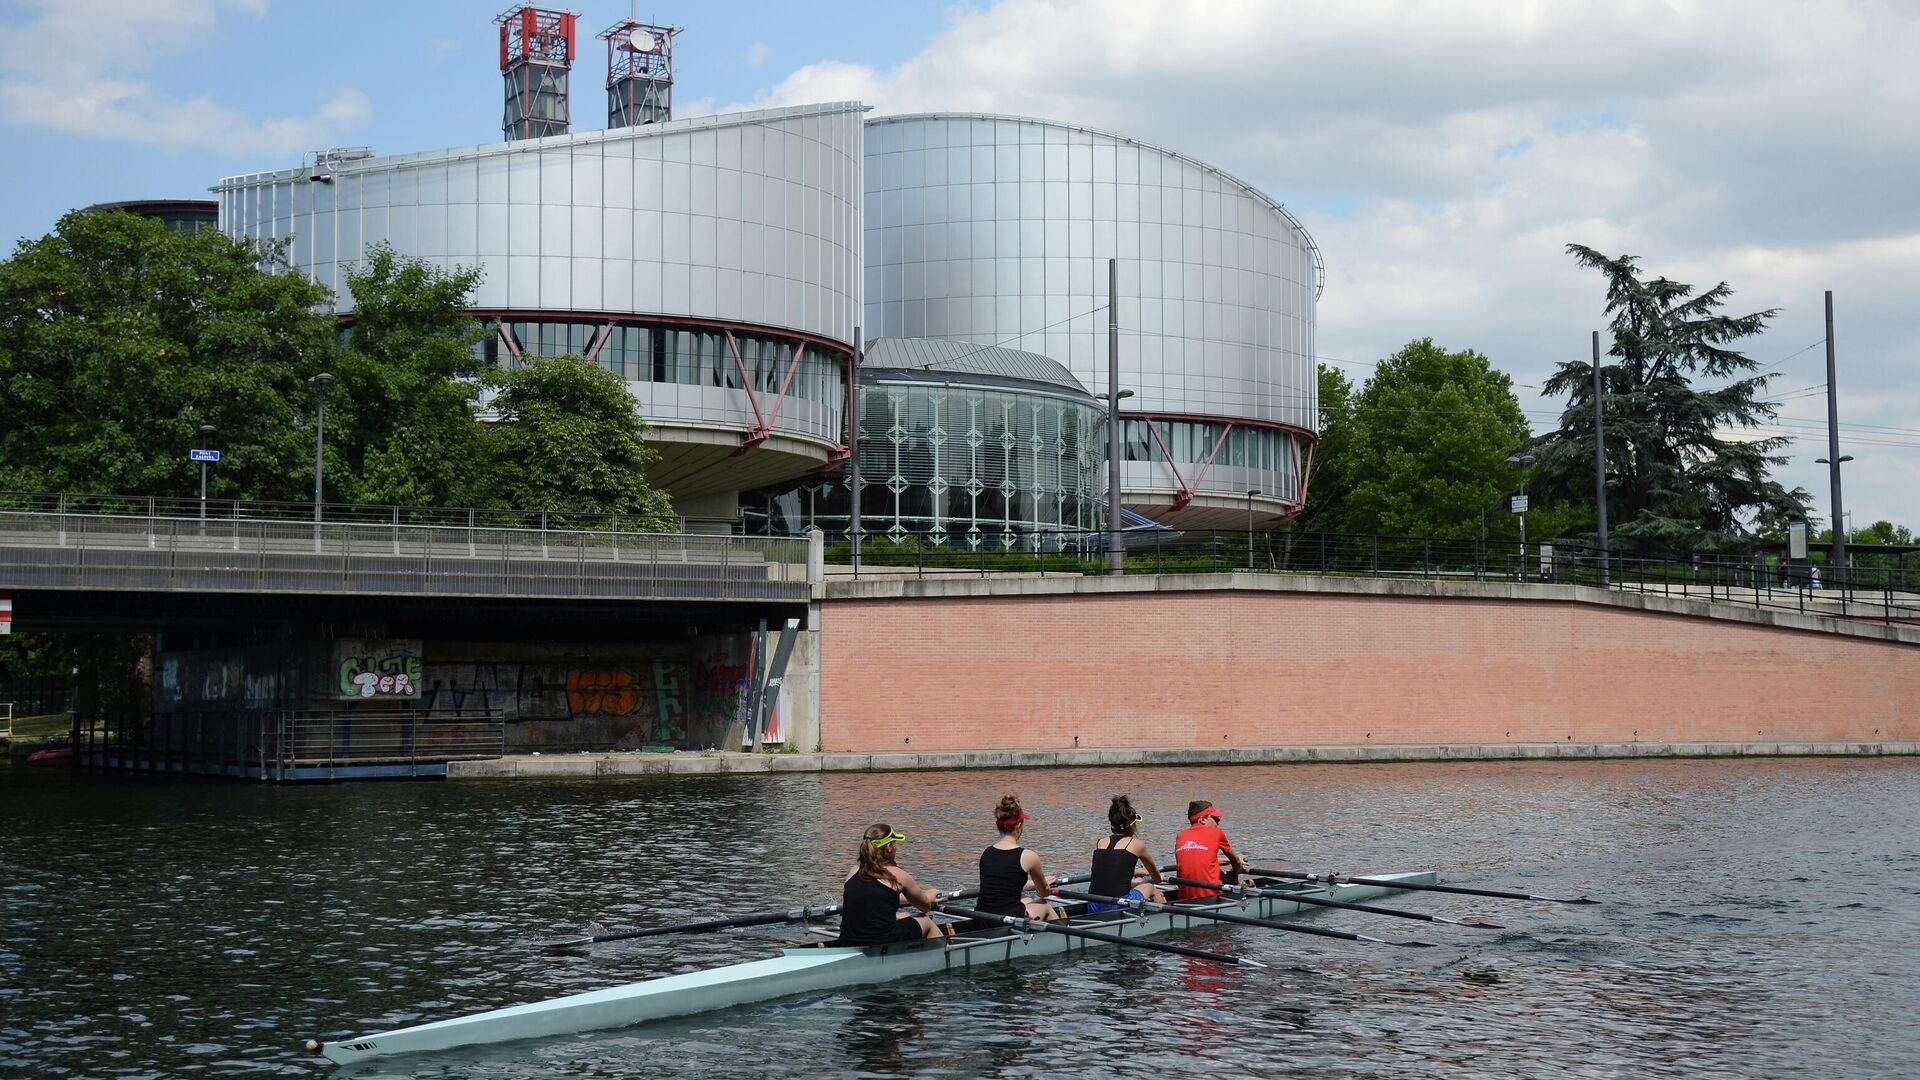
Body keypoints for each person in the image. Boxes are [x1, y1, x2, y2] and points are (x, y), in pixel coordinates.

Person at [837, 823, 945, 946]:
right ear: (888, 846)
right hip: (881, 941)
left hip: (847, 940)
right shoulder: (898, 875)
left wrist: (906, 901)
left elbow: (874, 898)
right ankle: (945, 955)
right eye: (894, 843)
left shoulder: (854, 871)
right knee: (925, 920)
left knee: (904, 915)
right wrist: (928, 898)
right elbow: (925, 907)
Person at [977, 795, 1060, 921]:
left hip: (982, 917)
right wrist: (1043, 884)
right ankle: (1063, 938)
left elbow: (1004, 884)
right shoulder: (1029, 856)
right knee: (1045, 905)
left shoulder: (986, 853)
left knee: (1027, 900)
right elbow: (1044, 893)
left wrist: (1033, 884)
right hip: (1008, 920)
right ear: (1019, 826)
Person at [1085, 794, 1164, 912]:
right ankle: (1166, 919)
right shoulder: (1137, 844)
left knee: (1136, 882)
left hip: (1092, 904)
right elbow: (1157, 878)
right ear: (1131, 826)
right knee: (1150, 887)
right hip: (1118, 904)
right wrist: (1152, 878)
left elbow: (1112, 870)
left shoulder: (1100, 842)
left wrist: (1138, 873)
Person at [1173, 800, 1249, 899]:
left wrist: (1227, 861)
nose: (1218, 820)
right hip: (1211, 895)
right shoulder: (1216, 833)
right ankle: (1243, 896)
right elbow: (1235, 861)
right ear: (1203, 819)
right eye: (1214, 817)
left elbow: (1199, 860)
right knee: (1233, 875)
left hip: (1184, 896)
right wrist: (1237, 868)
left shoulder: (1180, 835)